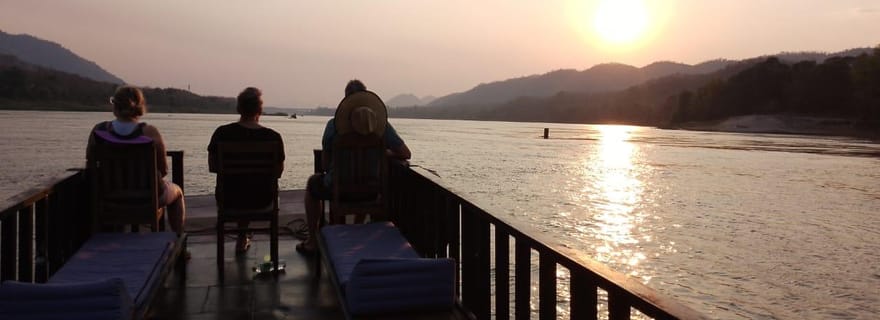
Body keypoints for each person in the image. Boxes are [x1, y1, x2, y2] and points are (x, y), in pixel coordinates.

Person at [297, 79, 411, 255]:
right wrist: (384, 153)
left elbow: (326, 165)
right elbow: (405, 153)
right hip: (371, 192)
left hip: (338, 190)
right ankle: (356, 232)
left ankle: (312, 241)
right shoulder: (381, 126)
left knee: (313, 184)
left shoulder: (332, 126)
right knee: (358, 192)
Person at [86, 85, 186, 235]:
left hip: (108, 197)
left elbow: (90, 165)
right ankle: (178, 240)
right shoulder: (149, 132)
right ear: (140, 106)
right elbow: (163, 170)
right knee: (177, 192)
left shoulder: (99, 131)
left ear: (115, 105)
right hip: (147, 199)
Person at [207, 87, 285, 253]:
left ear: (238, 108)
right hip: (262, 200)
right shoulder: (273, 137)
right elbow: (278, 172)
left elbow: (213, 167)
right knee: (252, 185)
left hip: (229, 199)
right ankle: (243, 237)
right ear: (260, 110)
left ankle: (242, 236)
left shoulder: (222, 133)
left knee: (240, 185)